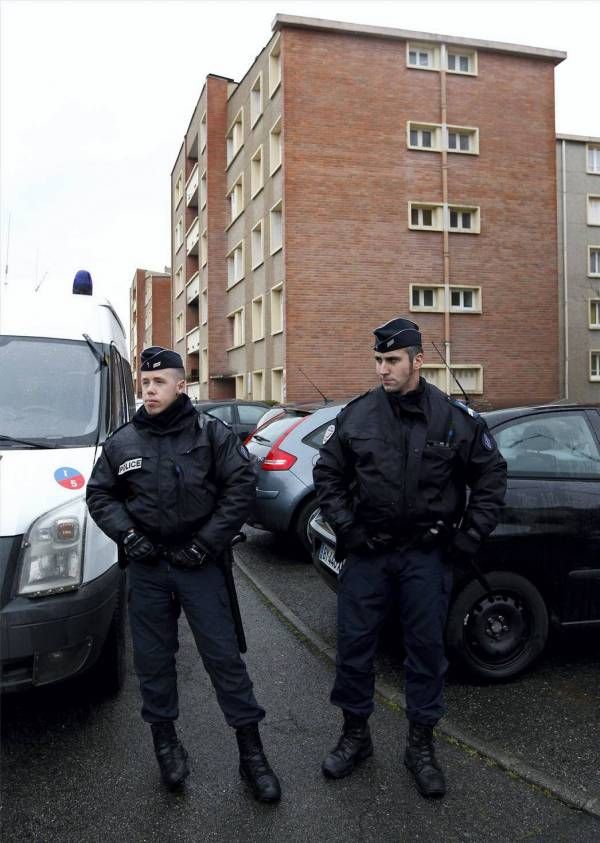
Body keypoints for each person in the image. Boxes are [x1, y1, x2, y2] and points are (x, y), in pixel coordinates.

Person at [313, 317, 507, 798]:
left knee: (425, 653)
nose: (383, 369)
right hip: (369, 555)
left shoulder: (452, 419)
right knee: (354, 649)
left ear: (418, 360)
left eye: (393, 360)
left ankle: (420, 745)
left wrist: (469, 538)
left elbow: (491, 479)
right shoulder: (358, 416)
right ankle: (355, 736)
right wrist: (348, 529)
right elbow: (327, 475)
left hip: (425, 557)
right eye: (378, 360)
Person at [86, 346, 281, 803]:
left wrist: (206, 542)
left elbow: (240, 487)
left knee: (225, 660)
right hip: (150, 568)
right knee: (153, 662)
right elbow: (100, 495)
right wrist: (127, 535)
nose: (149, 391)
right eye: (145, 383)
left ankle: (252, 754)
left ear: (180, 385)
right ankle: (166, 745)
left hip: (200, 565)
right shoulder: (123, 441)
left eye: (158, 383)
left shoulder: (212, 435)